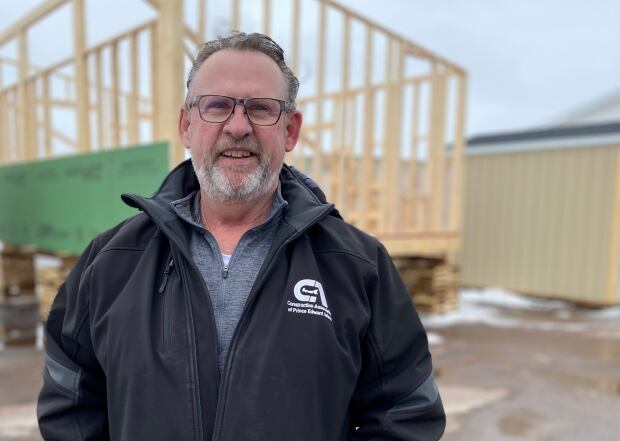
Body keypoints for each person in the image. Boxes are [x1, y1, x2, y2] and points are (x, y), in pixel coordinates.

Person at [37, 32, 445, 440]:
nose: (238, 127)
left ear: (290, 130)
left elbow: (406, 413)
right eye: (217, 106)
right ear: (186, 125)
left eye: (261, 109)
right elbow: (70, 405)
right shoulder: (112, 260)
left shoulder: (356, 266)